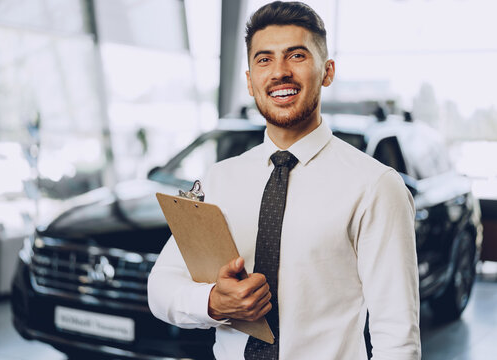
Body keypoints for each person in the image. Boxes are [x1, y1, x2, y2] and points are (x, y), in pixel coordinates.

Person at [148, 1, 421, 359]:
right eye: (264, 60)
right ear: (249, 80)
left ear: (327, 71)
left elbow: (396, 336)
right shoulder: (219, 180)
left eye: (296, 56)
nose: (279, 72)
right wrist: (213, 302)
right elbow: (160, 287)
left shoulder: (375, 186)